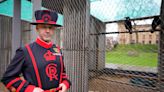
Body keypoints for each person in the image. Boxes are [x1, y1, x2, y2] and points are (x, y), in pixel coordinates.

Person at [1, 10, 71, 92]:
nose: (47, 30)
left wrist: (65, 83)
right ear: (37, 28)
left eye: (51, 27)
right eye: (44, 27)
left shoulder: (58, 50)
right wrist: (30, 89)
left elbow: (62, 73)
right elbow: (8, 78)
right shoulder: (25, 51)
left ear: (54, 29)